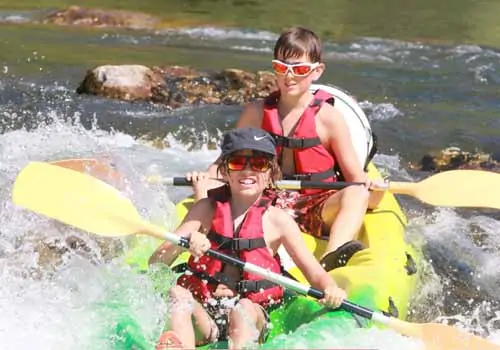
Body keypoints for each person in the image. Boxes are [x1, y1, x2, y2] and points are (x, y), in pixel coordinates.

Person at [188, 26, 384, 272]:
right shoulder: (257, 112)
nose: (289, 76)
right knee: (206, 184)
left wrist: (374, 191)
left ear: (316, 72)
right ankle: (206, 244)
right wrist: (204, 179)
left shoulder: (329, 118)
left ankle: (333, 257)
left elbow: (357, 181)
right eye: (282, 68)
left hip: (317, 205)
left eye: (300, 69)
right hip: (266, 202)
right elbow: (224, 164)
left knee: (357, 193)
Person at [150, 127, 347, 349]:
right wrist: (185, 244)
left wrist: (331, 288)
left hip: (251, 314)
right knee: (178, 293)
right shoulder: (205, 209)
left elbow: (314, 273)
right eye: (237, 163)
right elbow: (157, 262)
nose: (247, 171)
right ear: (225, 172)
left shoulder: (278, 221)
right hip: (205, 311)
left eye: (259, 164)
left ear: (271, 173)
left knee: (242, 307)